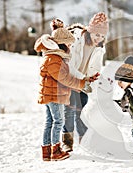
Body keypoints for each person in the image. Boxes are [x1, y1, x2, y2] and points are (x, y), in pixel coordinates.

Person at [34, 19, 99, 161]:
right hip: (53, 94)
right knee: (58, 121)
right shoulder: (54, 58)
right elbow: (65, 79)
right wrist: (81, 84)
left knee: (50, 121)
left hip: (51, 93)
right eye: (69, 43)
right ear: (62, 43)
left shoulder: (54, 57)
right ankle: (55, 151)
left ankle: (47, 152)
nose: (70, 46)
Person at [61, 12, 109, 152]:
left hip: (84, 82)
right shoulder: (77, 40)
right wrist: (80, 79)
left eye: (102, 36)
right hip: (69, 79)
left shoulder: (100, 48)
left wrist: (95, 82)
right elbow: (69, 63)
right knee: (69, 111)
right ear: (90, 31)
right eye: (96, 34)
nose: (98, 38)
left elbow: (96, 68)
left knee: (80, 110)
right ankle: (67, 142)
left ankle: (84, 137)